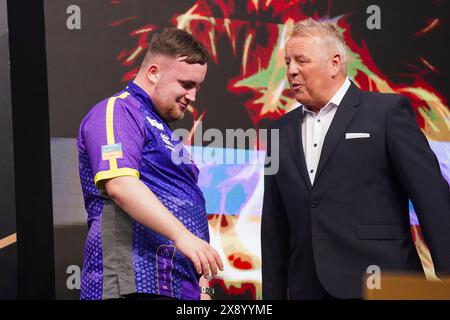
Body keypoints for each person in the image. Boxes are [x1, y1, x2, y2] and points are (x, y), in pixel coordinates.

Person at [261, 18, 450, 299]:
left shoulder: (386, 113)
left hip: (381, 284)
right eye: (288, 62)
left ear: (335, 63)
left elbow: (430, 193)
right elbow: (274, 225)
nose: (291, 71)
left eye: (301, 60)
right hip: (307, 289)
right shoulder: (279, 131)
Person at [77, 28, 223, 300]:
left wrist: (202, 288)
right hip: (132, 282)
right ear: (154, 72)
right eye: (186, 84)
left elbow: (188, 209)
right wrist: (183, 237)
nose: (192, 96)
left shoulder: (162, 130)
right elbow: (121, 185)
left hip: (178, 287)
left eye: (197, 87)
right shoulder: (119, 110)